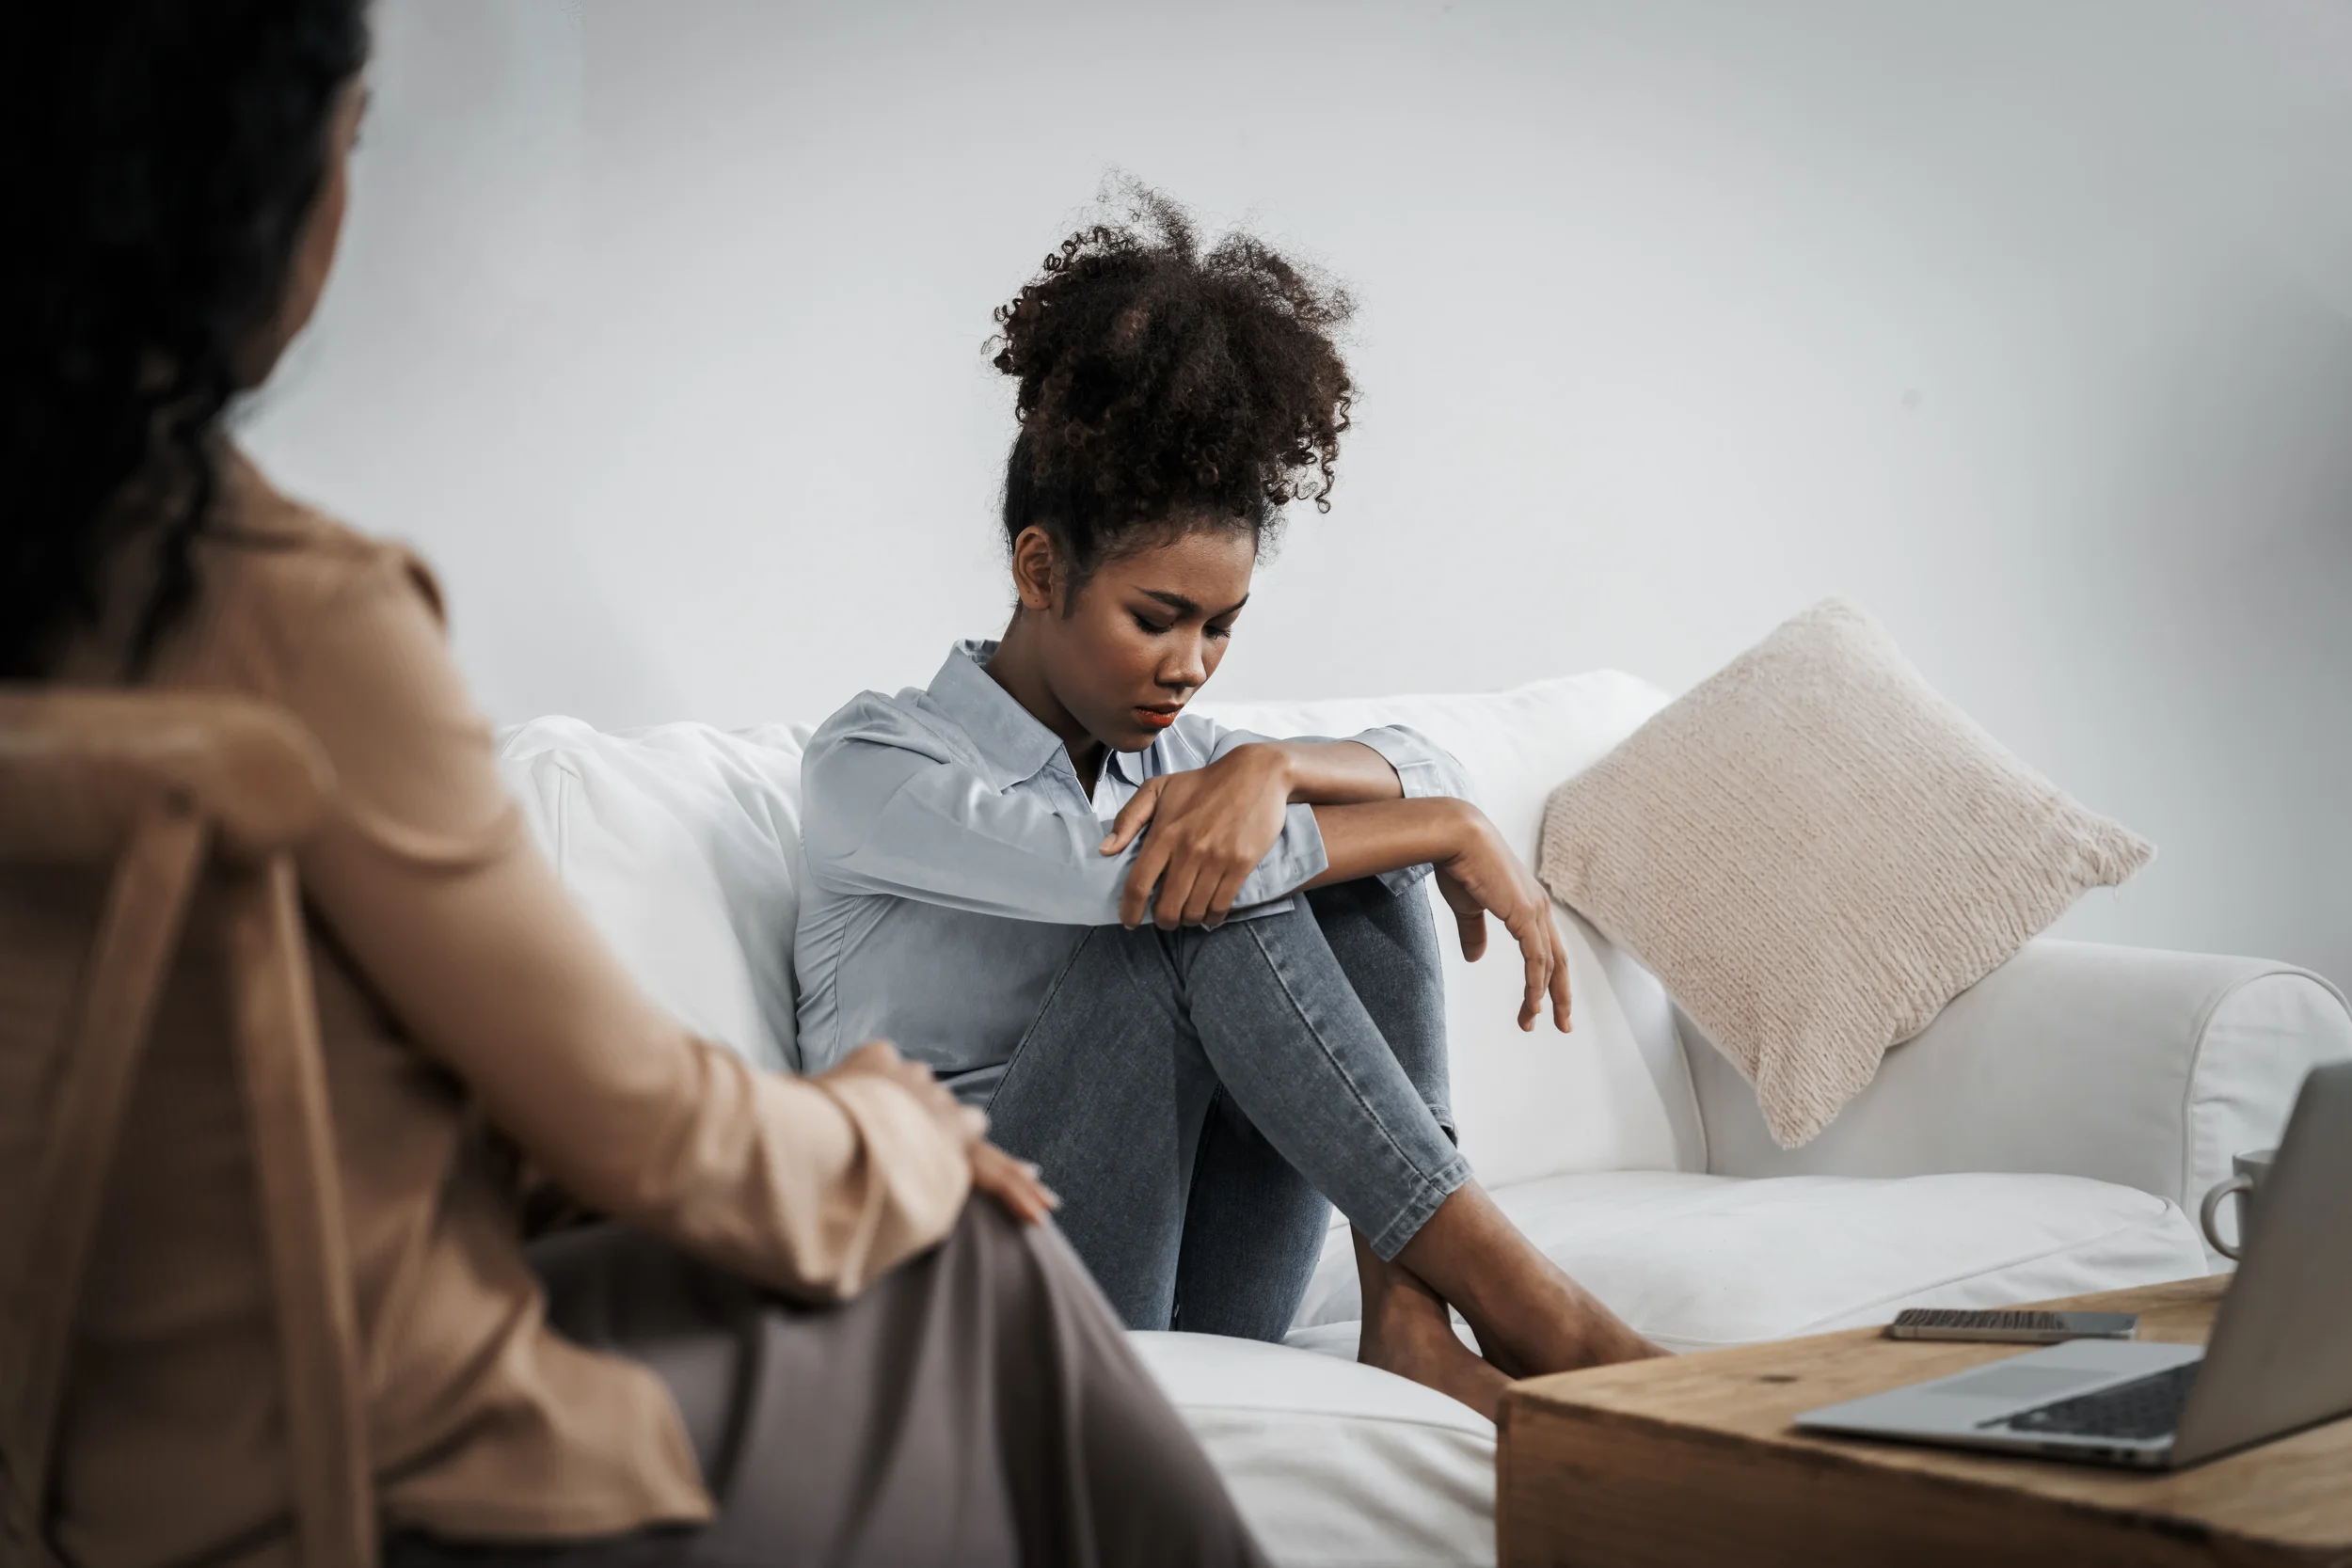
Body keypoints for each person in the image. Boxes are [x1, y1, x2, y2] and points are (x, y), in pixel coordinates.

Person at [0, 7, 1266, 1566]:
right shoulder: (297, 624)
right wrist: (888, 1131)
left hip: (78, 1466)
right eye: (355, 139)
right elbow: (643, 1134)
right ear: (249, 206)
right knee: (975, 1259)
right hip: (372, 1465)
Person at [795, 190, 1661, 1419]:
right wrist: (1452, 827)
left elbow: (1405, 757)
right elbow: (1125, 877)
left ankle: (1409, 1317)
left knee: (1328, 866)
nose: (1191, 665)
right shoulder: (878, 764)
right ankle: (1542, 1311)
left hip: (1179, 1267)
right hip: (962, 1300)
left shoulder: (1183, 765)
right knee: (1191, 904)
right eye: (1157, 618)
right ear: (1041, 570)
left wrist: (1277, 764)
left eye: (1221, 629)